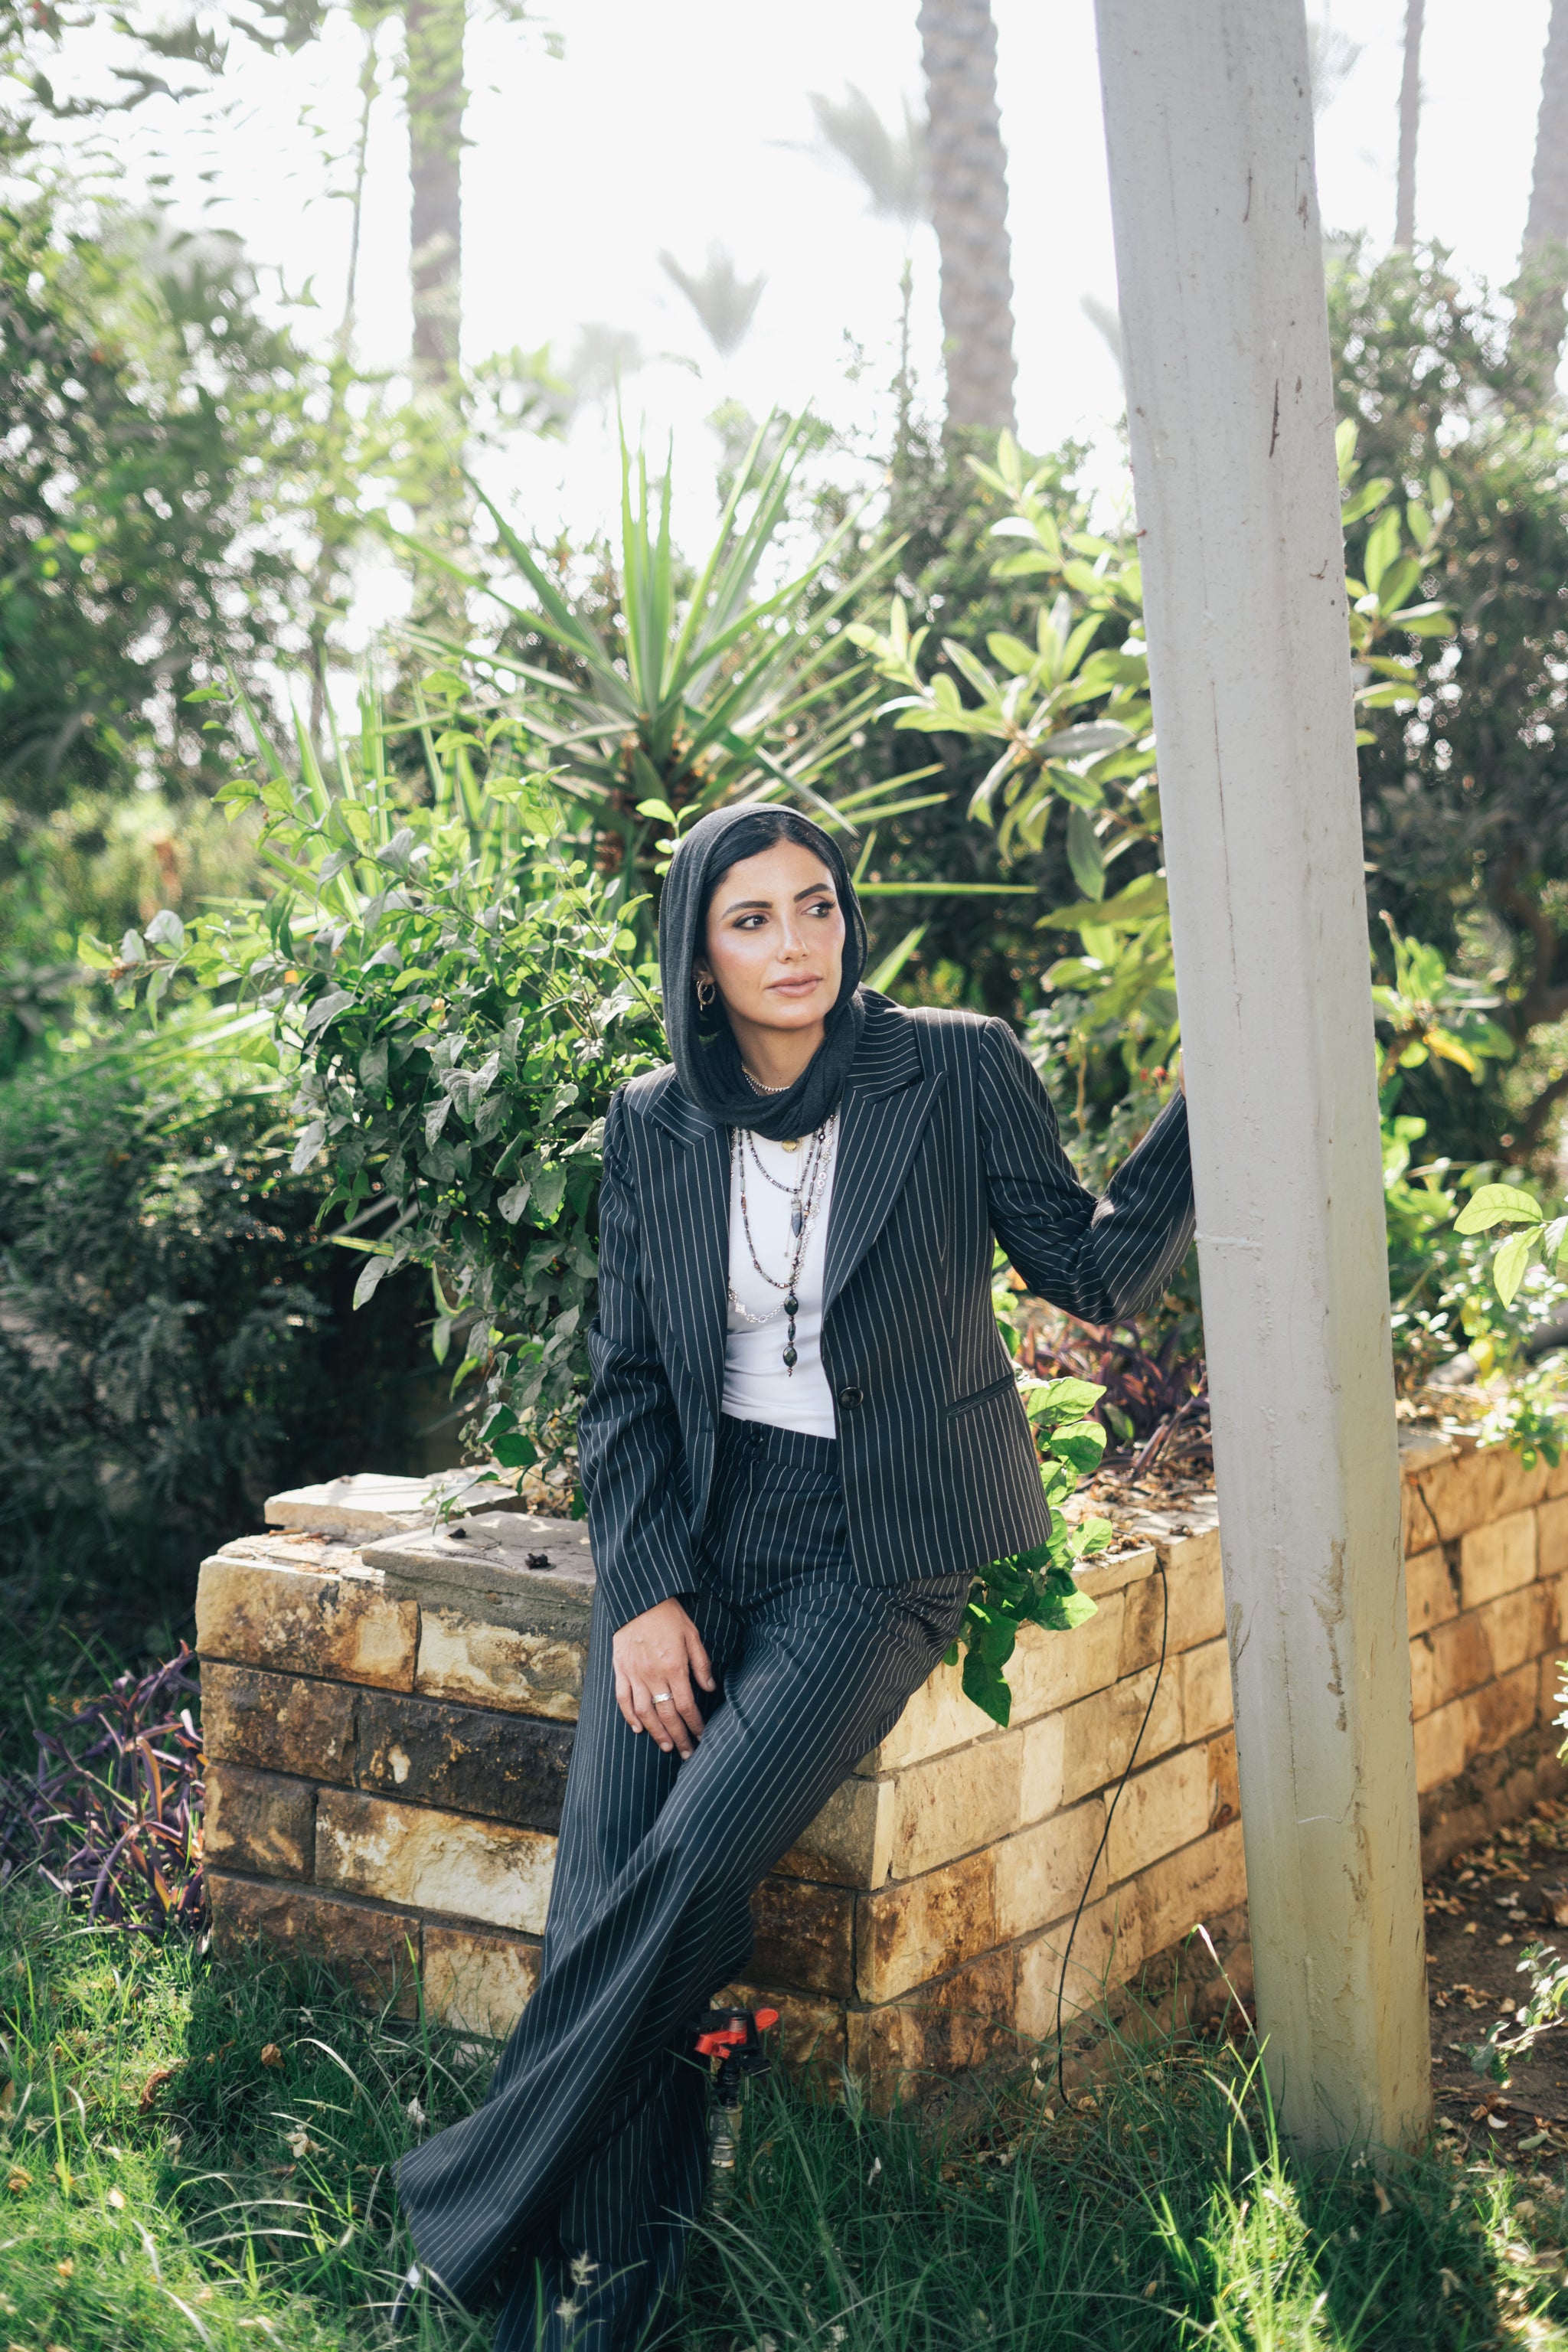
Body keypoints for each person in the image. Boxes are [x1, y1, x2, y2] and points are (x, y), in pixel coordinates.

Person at [393, 802, 1195, 2347]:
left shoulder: (949, 1066)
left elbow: (1091, 1273)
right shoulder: (654, 1122)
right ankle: (593, 2305)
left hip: (879, 1544)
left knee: (688, 1874)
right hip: (701, 1535)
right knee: (605, 1898)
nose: (795, 943)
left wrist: (1214, 1090)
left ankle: (462, 2202)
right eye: (751, 918)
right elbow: (629, 1384)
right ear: (700, 955)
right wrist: (643, 1594)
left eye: (815, 904)